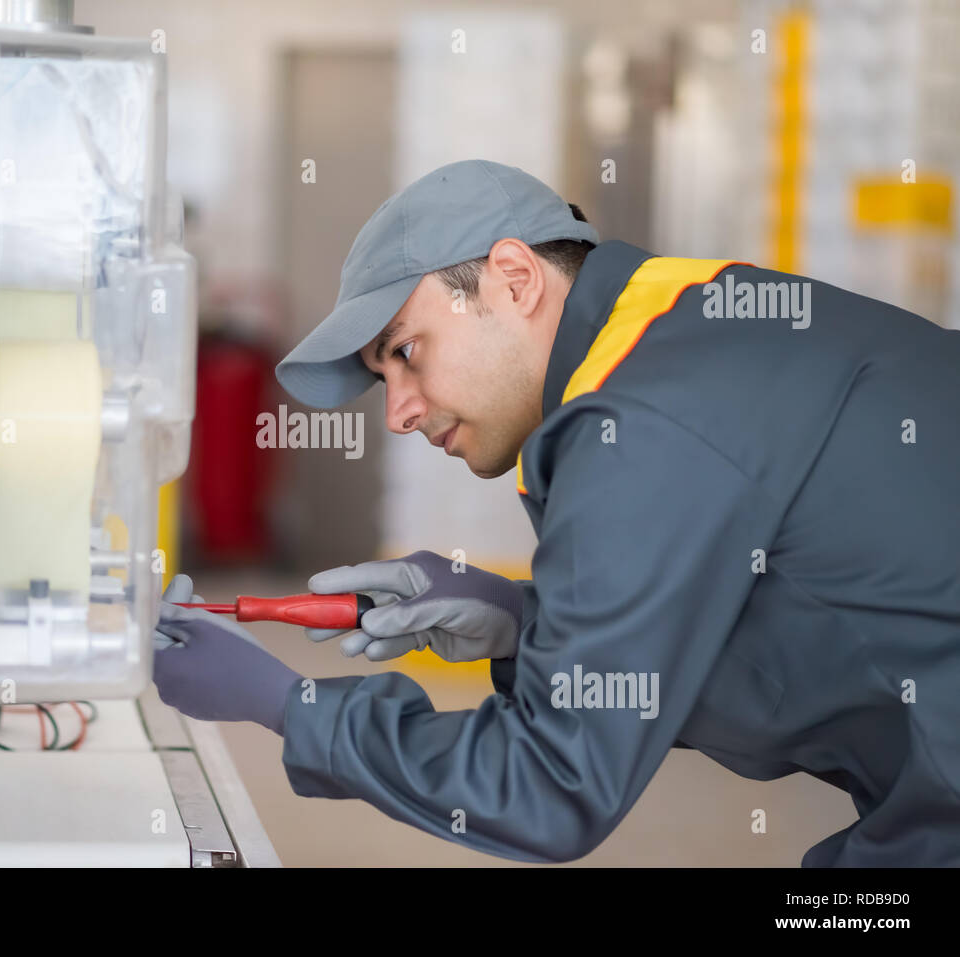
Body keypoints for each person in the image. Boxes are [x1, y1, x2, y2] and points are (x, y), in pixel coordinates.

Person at [153, 159, 960, 866]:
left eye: (405, 351)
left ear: (515, 278)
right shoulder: (683, 329)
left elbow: (549, 783)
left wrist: (287, 705)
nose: (397, 411)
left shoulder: (642, 421)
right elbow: (776, 631)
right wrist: (523, 621)